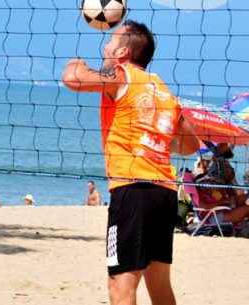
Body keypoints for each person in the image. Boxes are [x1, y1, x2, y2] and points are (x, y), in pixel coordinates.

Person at [62, 20, 200, 305]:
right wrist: (154, 134)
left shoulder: (120, 74)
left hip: (132, 189)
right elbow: (190, 145)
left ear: (123, 52)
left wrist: (75, 63)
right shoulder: (162, 89)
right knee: (159, 285)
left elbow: (73, 79)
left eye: (111, 41)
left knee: (120, 285)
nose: (105, 45)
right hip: (164, 192)